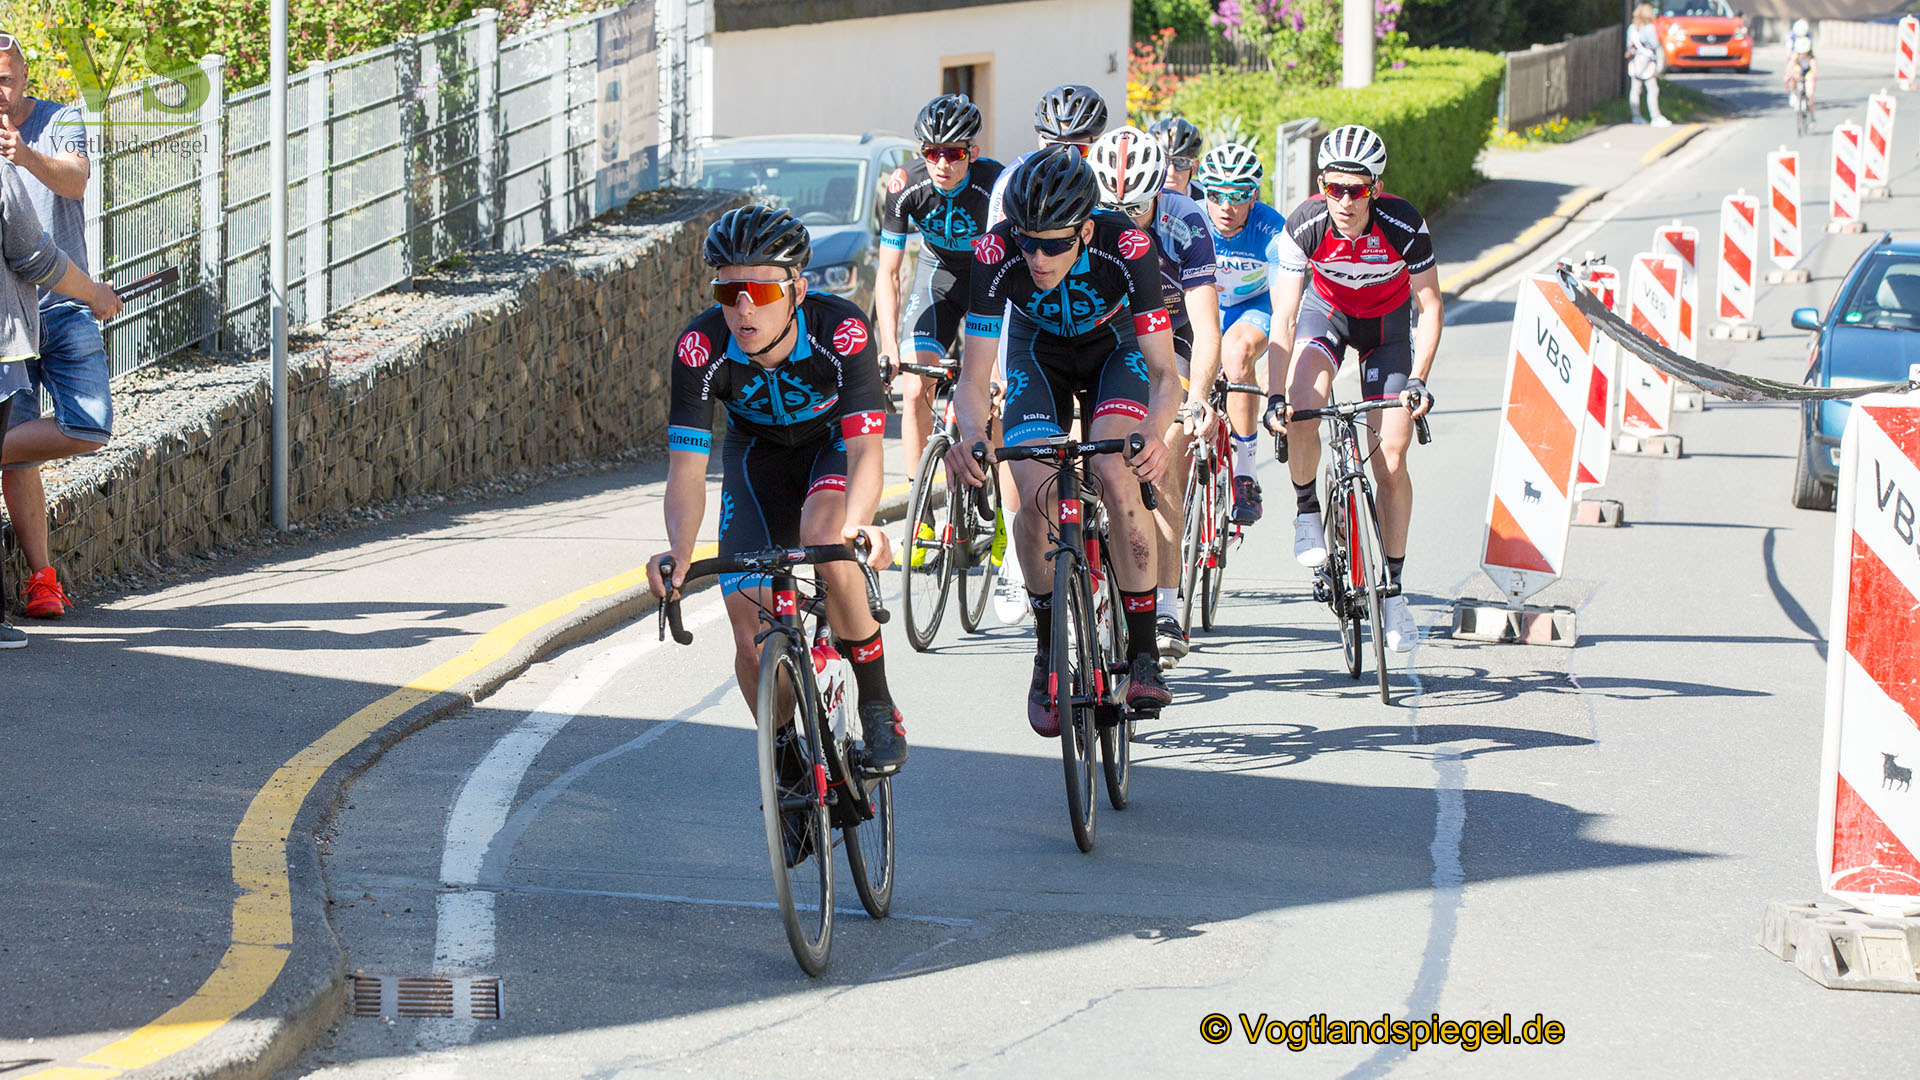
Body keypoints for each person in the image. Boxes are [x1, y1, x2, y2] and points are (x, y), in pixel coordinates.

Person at [646, 205, 908, 775]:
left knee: (826, 539)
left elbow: (866, 449)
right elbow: (687, 471)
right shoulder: (700, 347)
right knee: (748, 632)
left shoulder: (842, 330)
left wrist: (861, 524)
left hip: (830, 450)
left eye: (762, 291)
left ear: (798, 289)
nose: (744, 307)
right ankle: (788, 759)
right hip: (757, 457)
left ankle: (877, 700)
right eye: (729, 290)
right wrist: (679, 553)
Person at [944, 145, 1178, 734]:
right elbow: (973, 378)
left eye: (1054, 244)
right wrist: (971, 434)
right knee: (1036, 488)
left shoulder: (1126, 249)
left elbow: (1165, 373)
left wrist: (1154, 431)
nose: (1038, 257)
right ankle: (1048, 649)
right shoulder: (996, 252)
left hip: (1113, 349)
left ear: (1087, 229)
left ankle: (1144, 652)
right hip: (1037, 353)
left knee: (1117, 472)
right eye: (1029, 242)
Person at [1261, 124, 1441, 653]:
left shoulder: (1404, 224)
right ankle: (1307, 512)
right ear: (1321, 185)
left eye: (1355, 190)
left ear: (1374, 190)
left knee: (1390, 456)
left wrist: (1419, 379)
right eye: (1333, 188)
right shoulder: (1306, 224)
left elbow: (1430, 309)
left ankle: (1393, 595)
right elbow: (1285, 320)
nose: (1343, 200)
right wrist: (1274, 395)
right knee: (1302, 408)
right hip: (1328, 317)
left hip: (1386, 329)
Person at [1088, 125, 1219, 666]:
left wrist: (1199, 400)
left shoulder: (1185, 220)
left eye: (1137, 206)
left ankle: (1164, 602)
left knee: (1162, 455)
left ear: (1158, 193)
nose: (1123, 218)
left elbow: (1208, 326)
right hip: (1106, 339)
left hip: (1174, 340)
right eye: (1112, 206)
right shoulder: (1085, 219)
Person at [0, 32, 120, 618]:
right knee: (18, 459)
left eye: (6, 76)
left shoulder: (58, 119)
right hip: (6, 319)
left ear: (24, 75)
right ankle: (42, 580)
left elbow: (75, 181)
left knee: (91, 423)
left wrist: (23, 154)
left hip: (64, 303)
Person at [983, 84, 1111, 625]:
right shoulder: (1013, 183)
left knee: (1102, 452)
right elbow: (1002, 278)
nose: (1063, 153)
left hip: (1098, 328)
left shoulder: (1107, 182)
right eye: (1052, 141)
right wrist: (995, 366)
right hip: (1032, 328)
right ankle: (1018, 547)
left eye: (1078, 146)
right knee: (1023, 443)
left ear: (1095, 144)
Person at [874, 94, 1002, 480]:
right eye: (932, 153)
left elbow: (1012, 266)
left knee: (995, 394)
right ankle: (921, 510)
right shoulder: (905, 184)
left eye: (954, 153)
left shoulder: (994, 183)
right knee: (915, 390)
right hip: (938, 277)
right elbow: (888, 272)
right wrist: (889, 346)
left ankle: (996, 500)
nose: (942, 164)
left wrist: (998, 367)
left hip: (988, 279)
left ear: (973, 152)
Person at [1196, 142, 1288, 527]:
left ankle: (1245, 473)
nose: (1225, 207)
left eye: (1238, 196)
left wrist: (1280, 364)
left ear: (1255, 196)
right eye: (1215, 195)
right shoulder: (1192, 221)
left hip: (1255, 306)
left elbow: (1287, 305)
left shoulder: (1272, 228)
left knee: (1236, 354)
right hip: (1206, 308)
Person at [1626, 3, 1671, 127]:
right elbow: (1655, 44)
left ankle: (1636, 116)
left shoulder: (1631, 28)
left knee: (1635, 90)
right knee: (1652, 89)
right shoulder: (1649, 28)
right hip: (1646, 64)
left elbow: (1628, 47)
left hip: (1634, 62)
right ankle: (1655, 116)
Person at [1148, 116, 1205, 201]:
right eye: (1163, 162)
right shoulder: (1135, 200)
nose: (1171, 172)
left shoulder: (1207, 199)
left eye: (1181, 162)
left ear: (1194, 167)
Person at [1785, 18, 1817, 115]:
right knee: (1794, 75)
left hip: (1807, 69)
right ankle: (1794, 93)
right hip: (1796, 62)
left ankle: (1811, 111)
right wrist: (1787, 75)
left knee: (1809, 87)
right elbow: (1789, 57)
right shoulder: (1791, 37)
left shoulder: (1809, 39)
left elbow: (1814, 69)